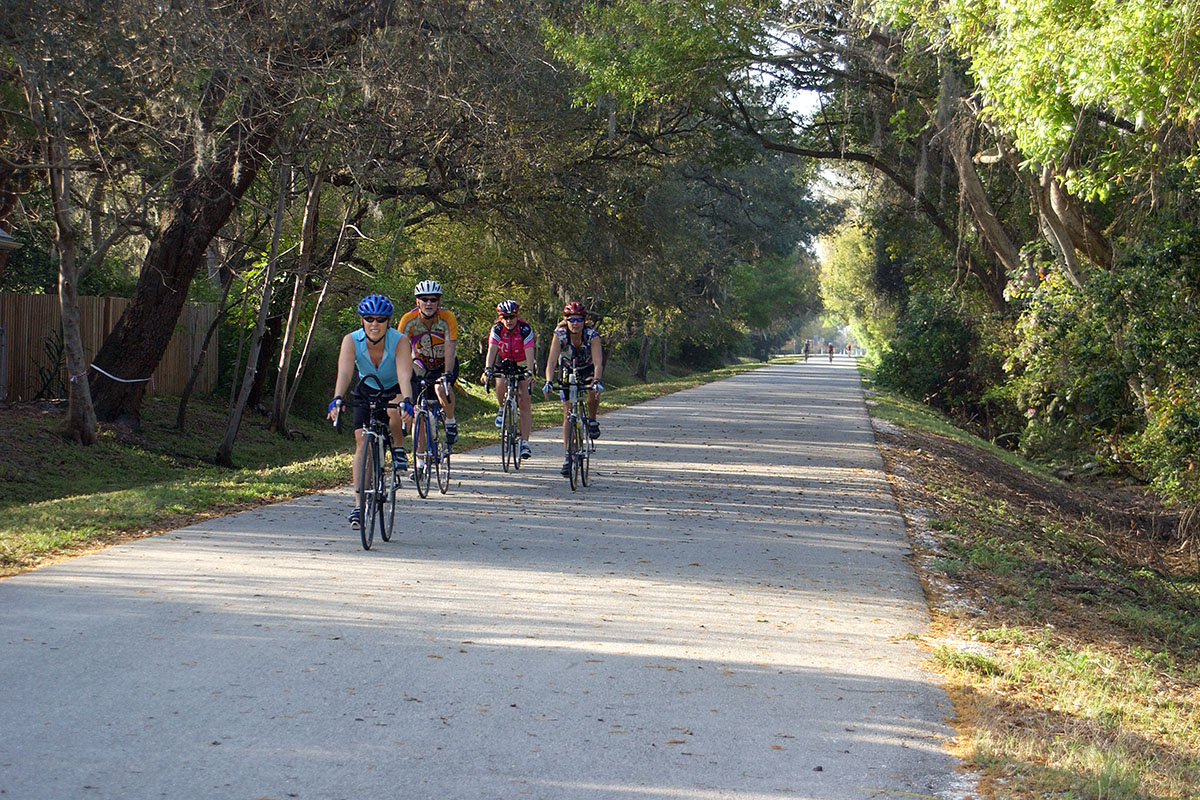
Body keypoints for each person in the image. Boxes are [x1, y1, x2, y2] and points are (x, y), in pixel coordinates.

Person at [327, 294, 414, 529]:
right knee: (360, 441)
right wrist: (337, 398)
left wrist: (407, 400)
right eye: (369, 319)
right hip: (367, 390)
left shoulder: (400, 341)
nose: (374, 324)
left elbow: (405, 375)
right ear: (362, 320)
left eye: (380, 319)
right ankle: (358, 504)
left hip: (394, 388)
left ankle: (397, 447)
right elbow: (344, 373)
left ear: (388, 321)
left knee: (395, 413)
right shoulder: (351, 340)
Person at [397, 280, 460, 460]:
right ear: (417, 302)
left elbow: (450, 346)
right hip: (420, 364)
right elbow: (400, 348)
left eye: (433, 299)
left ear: (438, 301)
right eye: (424, 299)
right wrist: (401, 374)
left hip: (444, 363)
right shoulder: (408, 320)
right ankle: (420, 459)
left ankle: (450, 421)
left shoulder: (447, 318)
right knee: (418, 411)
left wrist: (447, 374)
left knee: (442, 388)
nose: (429, 303)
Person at [542, 301, 604, 477]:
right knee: (568, 412)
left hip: (587, 368)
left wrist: (597, 380)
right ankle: (568, 456)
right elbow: (552, 361)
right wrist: (548, 381)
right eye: (571, 319)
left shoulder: (592, 335)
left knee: (592, 390)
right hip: (567, 370)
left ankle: (592, 419)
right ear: (566, 321)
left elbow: (598, 362)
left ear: (584, 321)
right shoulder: (560, 335)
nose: (575, 323)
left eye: (578, 319)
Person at [481, 299, 535, 460]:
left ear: (517, 316)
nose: (509, 321)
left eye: (512, 317)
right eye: (505, 317)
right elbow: (492, 350)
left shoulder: (525, 329)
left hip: (522, 361)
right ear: (500, 317)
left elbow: (530, 351)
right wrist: (487, 370)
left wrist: (530, 372)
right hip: (503, 359)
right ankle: (501, 408)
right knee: (499, 380)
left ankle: (525, 442)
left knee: (524, 401)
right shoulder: (497, 328)